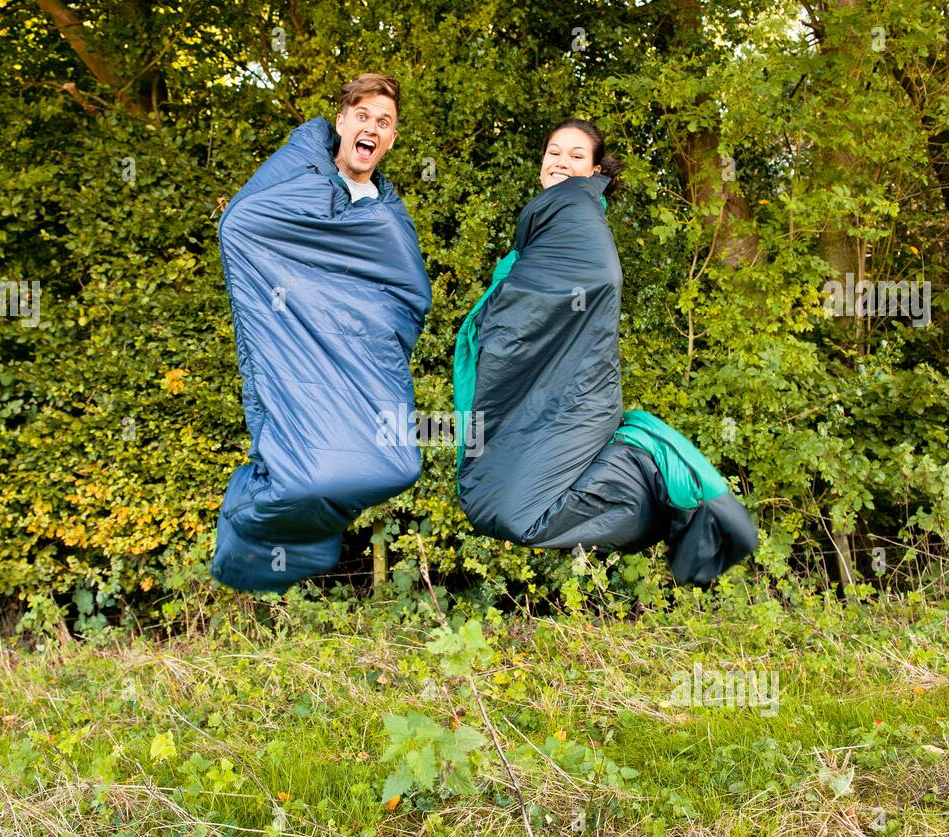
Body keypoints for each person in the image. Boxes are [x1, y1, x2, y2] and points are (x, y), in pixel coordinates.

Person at [453, 117, 758, 586]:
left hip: (577, 395)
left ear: (595, 170)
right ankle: (643, 477)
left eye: (577, 156)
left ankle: (646, 463)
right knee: (488, 501)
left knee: (514, 512)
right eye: (555, 152)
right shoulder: (544, 228)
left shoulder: (578, 216)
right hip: (537, 395)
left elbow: (596, 281)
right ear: (541, 164)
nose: (562, 162)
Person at [211, 74, 432, 592]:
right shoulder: (300, 179)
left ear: (392, 139)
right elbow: (240, 226)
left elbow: (407, 297)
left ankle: (304, 532)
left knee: (396, 466)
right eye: (363, 116)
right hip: (295, 351)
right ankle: (244, 532)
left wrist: (366, 327)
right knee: (307, 477)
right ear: (342, 122)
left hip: (361, 363)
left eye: (384, 122)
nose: (372, 128)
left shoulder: (388, 215)